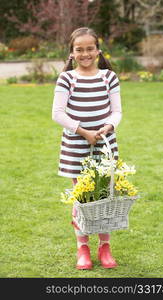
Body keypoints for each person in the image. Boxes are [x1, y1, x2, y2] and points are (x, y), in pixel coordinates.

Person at [52, 27, 122, 270]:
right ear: (72, 53)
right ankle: (82, 247)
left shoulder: (108, 77)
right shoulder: (67, 78)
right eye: (79, 49)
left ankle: (104, 247)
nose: (85, 53)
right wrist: (83, 132)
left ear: (98, 50)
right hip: (75, 146)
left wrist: (108, 127)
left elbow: (117, 111)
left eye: (89, 48)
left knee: (104, 197)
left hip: (104, 144)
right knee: (81, 199)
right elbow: (58, 113)